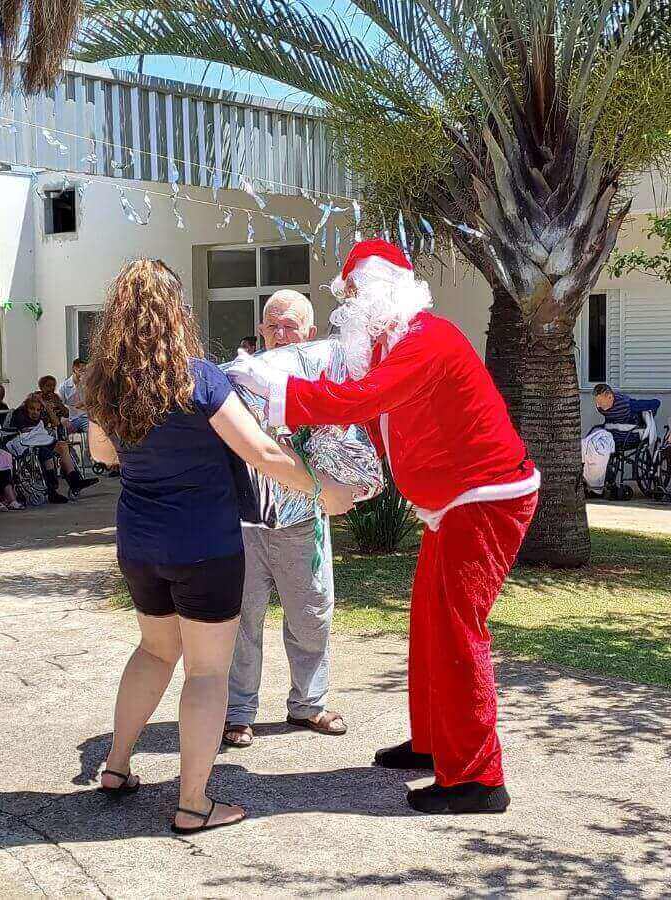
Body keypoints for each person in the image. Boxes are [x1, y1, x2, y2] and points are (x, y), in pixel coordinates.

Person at [227, 239, 538, 815]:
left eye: (353, 294)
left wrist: (277, 394)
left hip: (484, 498)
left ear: (381, 294)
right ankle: (435, 743)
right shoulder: (390, 346)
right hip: (456, 501)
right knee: (430, 624)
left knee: (456, 630)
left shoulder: (425, 340)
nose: (346, 306)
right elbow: (365, 408)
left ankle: (478, 778)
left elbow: (360, 400)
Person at [82, 258, 357, 836]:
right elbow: (262, 451)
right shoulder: (199, 378)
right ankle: (192, 804)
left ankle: (116, 766)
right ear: (175, 313)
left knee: (154, 651)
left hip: (139, 543)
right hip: (204, 545)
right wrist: (322, 489)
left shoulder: (105, 384)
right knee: (206, 672)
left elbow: (102, 455)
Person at [223, 290, 348, 750]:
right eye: (272, 325)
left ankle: (309, 704)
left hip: (302, 521)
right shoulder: (239, 379)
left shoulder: (324, 379)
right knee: (242, 621)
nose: (280, 333)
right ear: (260, 330)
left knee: (311, 616)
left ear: (309, 332)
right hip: (245, 523)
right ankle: (238, 713)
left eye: (289, 326)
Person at [8, 392, 98, 503]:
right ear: (26, 407)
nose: (35, 412)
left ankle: (74, 481)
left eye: (38, 409)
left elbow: (56, 423)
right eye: (32, 409)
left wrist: (47, 409)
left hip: (40, 439)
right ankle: (52, 491)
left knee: (63, 445)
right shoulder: (19, 413)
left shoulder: (41, 413)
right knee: (46, 453)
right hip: (27, 442)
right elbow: (23, 432)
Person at [581, 383, 659, 498]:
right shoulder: (600, 407)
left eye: (601, 402)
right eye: (597, 402)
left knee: (600, 447)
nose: (598, 405)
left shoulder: (627, 404)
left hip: (628, 436)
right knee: (589, 444)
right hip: (611, 433)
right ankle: (594, 482)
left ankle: (599, 485)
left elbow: (656, 403)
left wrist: (648, 416)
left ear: (610, 397)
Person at [57, 357, 90, 432]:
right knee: (66, 432)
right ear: (74, 369)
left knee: (90, 431)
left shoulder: (88, 385)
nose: (84, 373)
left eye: (85, 371)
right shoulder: (64, 386)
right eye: (81, 370)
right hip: (71, 419)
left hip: (85, 417)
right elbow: (60, 404)